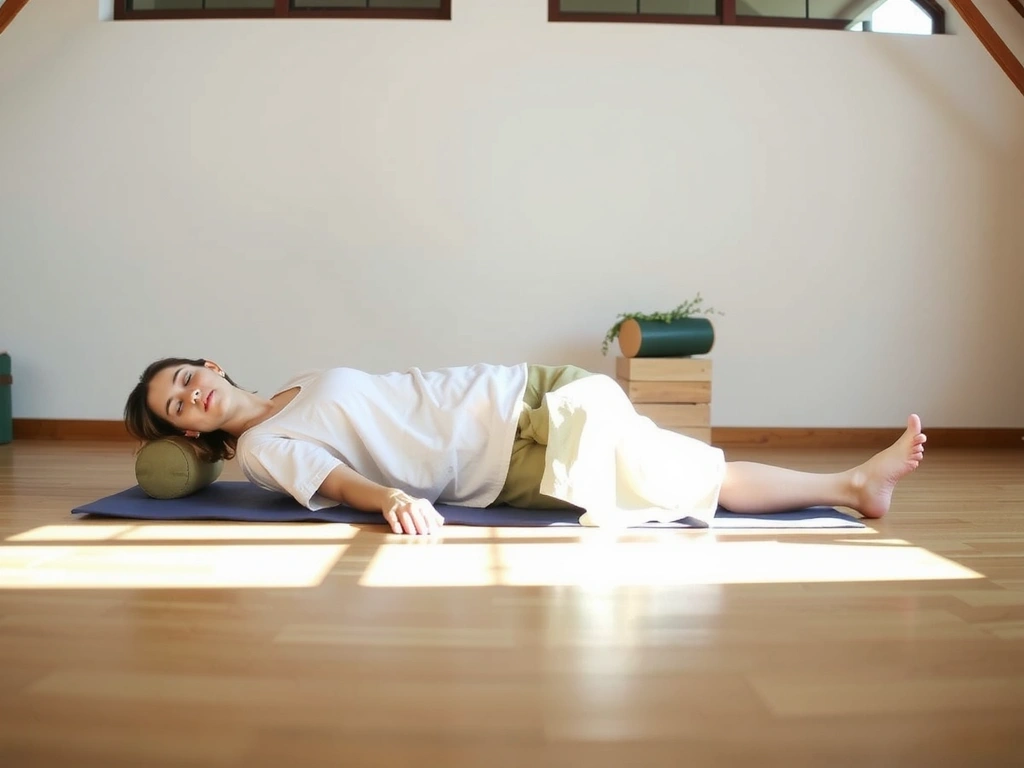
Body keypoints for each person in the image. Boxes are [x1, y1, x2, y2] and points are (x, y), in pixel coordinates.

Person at [124, 357, 926, 535]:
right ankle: (854, 486)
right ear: (190, 434)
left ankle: (853, 486)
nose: (190, 392)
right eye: (176, 405)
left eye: (186, 377)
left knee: (678, 467)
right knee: (687, 477)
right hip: (511, 458)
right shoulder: (264, 445)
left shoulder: (297, 383)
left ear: (213, 366)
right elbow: (330, 479)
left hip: (514, 391)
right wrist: (395, 499)